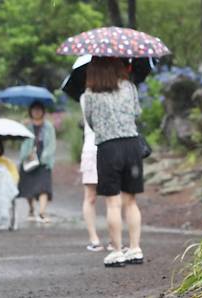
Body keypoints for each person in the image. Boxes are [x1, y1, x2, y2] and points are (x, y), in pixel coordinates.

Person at [82, 56, 144, 267]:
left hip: (109, 148)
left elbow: (89, 122)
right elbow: (137, 113)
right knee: (131, 201)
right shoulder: (128, 87)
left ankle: (117, 251)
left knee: (113, 203)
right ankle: (135, 249)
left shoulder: (90, 94)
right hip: (132, 146)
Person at [18, 101, 56, 223]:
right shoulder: (26, 125)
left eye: (39, 109)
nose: (36, 112)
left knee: (43, 186)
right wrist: (22, 124)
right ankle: (31, 208)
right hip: (28, 158)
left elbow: (51, 144)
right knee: (29, 186)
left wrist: (45, 157)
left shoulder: (48, 126)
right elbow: (19, 138)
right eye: (34, 110)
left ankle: (42, 212)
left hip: (44, 159)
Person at [80, 98, 105, 251]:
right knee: (90, 196)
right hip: (91, 148)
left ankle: (115, 240)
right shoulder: (86, 96)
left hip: (109, 148)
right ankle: (94, 238)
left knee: (114, 197)